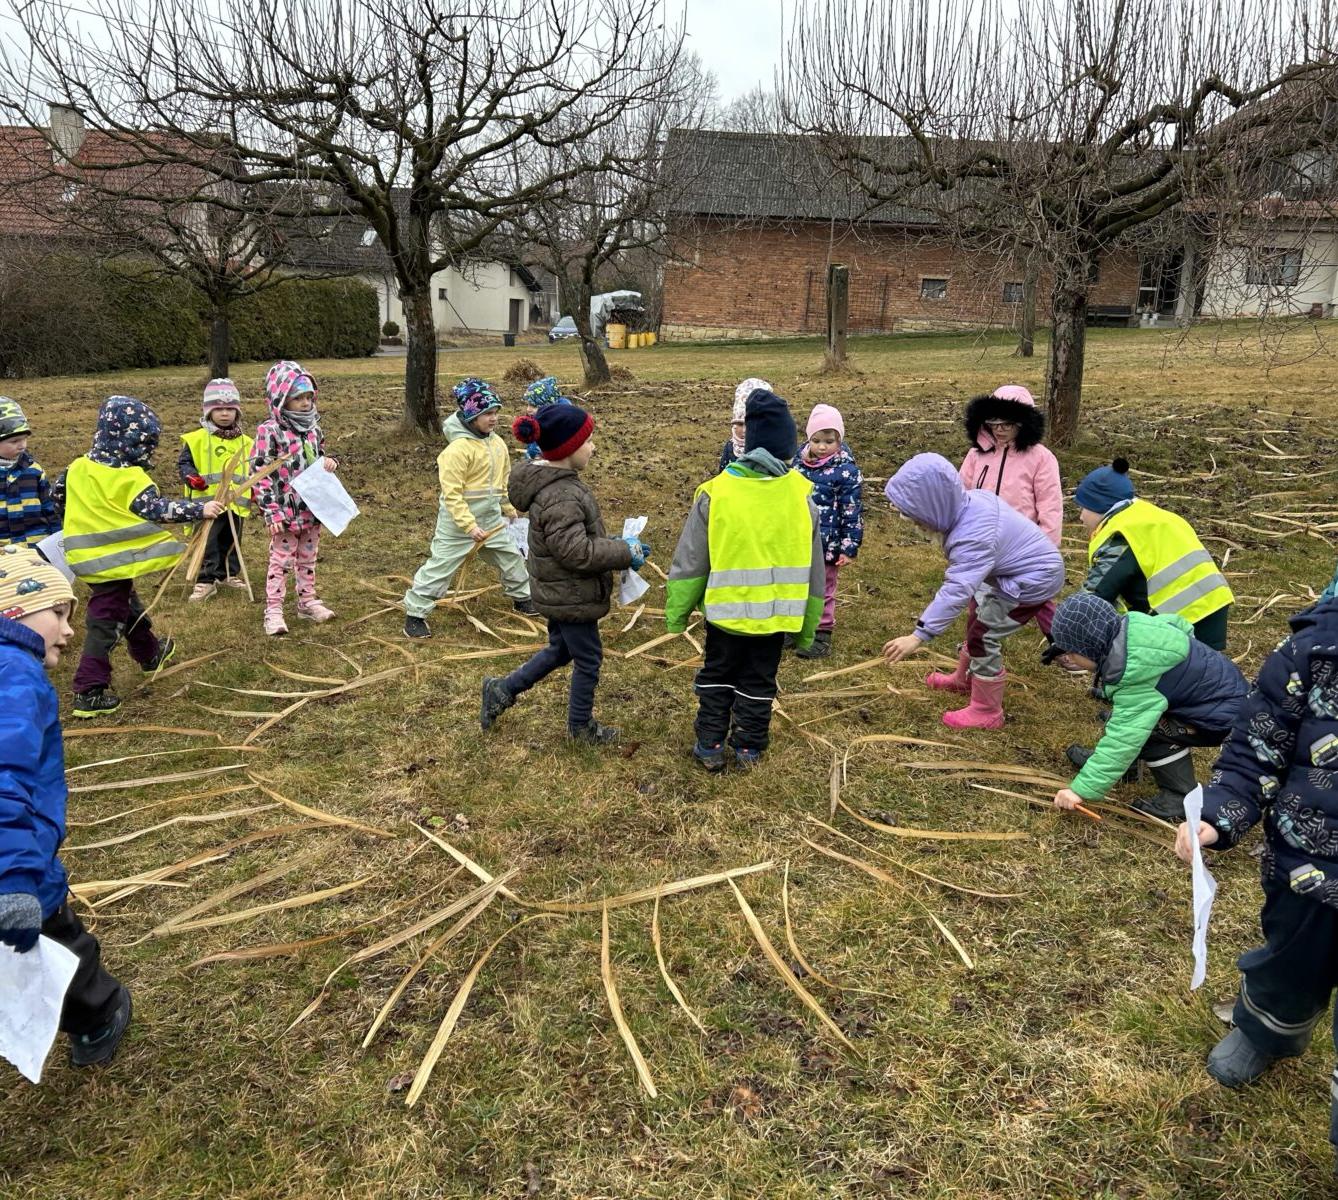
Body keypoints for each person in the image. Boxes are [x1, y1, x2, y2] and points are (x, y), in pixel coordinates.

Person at [1175, 592, 1338, 1155]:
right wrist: (1218, 815)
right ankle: (1268, 1028)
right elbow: (1257, 748)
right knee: (1288, 965)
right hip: (1307, 869)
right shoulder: (1315, 649)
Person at [0, 546, 132, 1066]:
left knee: (49, 941)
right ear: (12, 609)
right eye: (58, 612)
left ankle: (97, 1009)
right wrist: (13, 879)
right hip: (17, 865)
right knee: (52, 936)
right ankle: (96, 1013)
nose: (69, 630)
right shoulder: (12, 676)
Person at [666, 388, 825, 771]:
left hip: (725, 619)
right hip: (774, 621)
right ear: (788, 450)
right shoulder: (803, 498)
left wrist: (677, 613)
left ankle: (710, 742)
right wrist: (807, 631)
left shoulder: (715, 494)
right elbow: (815, 574)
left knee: (717, 675)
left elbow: (691, 563)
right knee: (759, 680)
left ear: (748, 444)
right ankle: (750, 746)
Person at [480, 403, 646, 744]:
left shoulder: (562, 486)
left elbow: (575, 541)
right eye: (587, 441)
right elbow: (575, 552)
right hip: (569, 593)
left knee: (561, 649)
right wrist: (622, 552)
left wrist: (618, 544)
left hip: (564, 590)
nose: (593, 447)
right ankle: (580, 728)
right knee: (588, 658)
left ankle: (502, 689)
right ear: (568, 448)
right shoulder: (561, 495)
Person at [60, 397, 222, 717]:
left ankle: (150, 654)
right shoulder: (130, 478)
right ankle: (89, 688)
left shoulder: (77, 467)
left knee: (126, 604)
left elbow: (58, 499)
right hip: (113, 561)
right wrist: (200, 509)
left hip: (84, 559)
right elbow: (156, 509)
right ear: (134, 443)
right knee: (105, 622)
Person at [882, 452, 1064, 730]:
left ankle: (987, 709)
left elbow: (956, 589)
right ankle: (964, 677)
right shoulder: (972, 503)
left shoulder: (972, 538)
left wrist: (918, 635)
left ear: (935, 507)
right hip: (1017, 573)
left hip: (1032, 580)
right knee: (977, 617)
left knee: (984, 634)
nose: (917, 526)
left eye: (919, 519)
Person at [1045, 591, 1246, 821]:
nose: (1068, 659)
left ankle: (1180, 796)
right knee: (1127, 716)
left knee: (1146, 730)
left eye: (1070, 652)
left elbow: (1124, 739)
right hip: (1226, 696)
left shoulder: (1137, 676)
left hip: (1218, 720)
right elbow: (1179, 624)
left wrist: (1080, 790)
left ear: (1090, 648)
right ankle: (1127, 769)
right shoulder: (1133, 628)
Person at [403, 378, 536, 638]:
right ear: (471, 415)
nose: (493, 418)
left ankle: (522, 597)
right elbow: (452, 495)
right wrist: (469, 525)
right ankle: (415, 613)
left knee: (510, 557)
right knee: (440, 567)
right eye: (487, 413)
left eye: (495, 412)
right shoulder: (457, 451)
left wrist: (507, 506)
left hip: (491, 520)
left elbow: (501, 480)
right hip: (458, 525)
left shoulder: (496, 444)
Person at [1075, 458, 1232, 650]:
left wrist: (1071, 628)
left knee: (1177, 673)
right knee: (1205, 669)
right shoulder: (1149, 517)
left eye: (1083, 507)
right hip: (1213, 601)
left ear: (1100, 505)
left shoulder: (1121, 533)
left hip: (1183, 615)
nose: (1080, 516)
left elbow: (1099, 589)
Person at [957, 384, 1062, 634]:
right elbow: (960, 494)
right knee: (977, 599)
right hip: (982, 541)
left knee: (1038, 600)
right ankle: (967, 664)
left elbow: (1050, 505)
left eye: (1008, 424)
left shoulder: (1041, 458)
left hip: (1022, 546)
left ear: (1023, 422)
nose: (1000, 430)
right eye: (994, 423)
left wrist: (1047, 548)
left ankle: (1065, 647)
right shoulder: (976, 455)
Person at [250, 361, 340, 637]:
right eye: (297, 398)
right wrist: (271, 511)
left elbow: (319, 455)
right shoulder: (269, 431)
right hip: (284, 513)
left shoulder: (313, 429)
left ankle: (307, 601)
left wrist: (329, 462)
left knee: (308, 558)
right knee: (281, 560)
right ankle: (274, 609)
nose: (304, 404)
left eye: (308, 397)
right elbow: (260, 473)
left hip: (312, 508)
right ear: (280, 399)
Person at [791, 402, 863, 660]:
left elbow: (851, 510)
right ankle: (796, 625)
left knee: (823, 587)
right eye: (817, 440)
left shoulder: (846, 471)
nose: (822, 447)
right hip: (797, 540)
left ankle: (821, 632)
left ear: (839, 440)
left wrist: (848, 545)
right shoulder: (795, 466)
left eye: (829, 441)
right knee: (796, 582)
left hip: (827, 543)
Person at [177, 378, 253, 602]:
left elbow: (252, 467)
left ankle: (228, 573)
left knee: (231, 540)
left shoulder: (245, 442)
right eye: (218, 408)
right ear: (208, 411)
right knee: (207, 541)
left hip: (235, 503)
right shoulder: (196, 439)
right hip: (207, 503)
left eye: (230, 408)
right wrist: (192, 477)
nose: (224, 413)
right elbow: (185, 463)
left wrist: (254, 489)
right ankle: (206, 580)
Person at [0, 398, 59, 549]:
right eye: (14, 441)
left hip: (36, 549)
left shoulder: (34, 470)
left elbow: (50, 508)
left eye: (25, 439)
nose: (22, 445)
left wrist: (57, 540)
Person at [719, 377, 772, 473]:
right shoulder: (730, 447)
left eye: (750, 424)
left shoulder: (772, 450)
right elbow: (722, 475)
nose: (744, 430)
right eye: (740, 424)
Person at [520, 376, 572, 460]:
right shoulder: (536, 419)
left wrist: (535, 455)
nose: (528, 409)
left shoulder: (558, 425)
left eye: (534, 406)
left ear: (548, 407)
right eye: (528, 404)